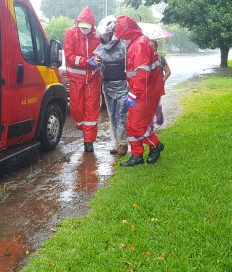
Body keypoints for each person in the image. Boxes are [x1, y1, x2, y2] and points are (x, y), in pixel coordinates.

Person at [114, 16, 165, 166]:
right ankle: (137, 155)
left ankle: (155, 145)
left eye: (121, 34)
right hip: (142, 90)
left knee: (137, 125)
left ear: (126, 32)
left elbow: (142, 74)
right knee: (130, 124)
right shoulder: (136, 42)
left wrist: (134, 93)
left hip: (145, 92)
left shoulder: (140, 44)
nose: (120, 38)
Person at [63, 7, 101, 153]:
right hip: (76, 79)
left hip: (93, 79)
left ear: (92, 26)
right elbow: (69, 56)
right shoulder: (70, 34)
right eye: (82, 27)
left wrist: (98, 60)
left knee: (92, 111)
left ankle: (88, 141)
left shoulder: (97, 35)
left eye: (87, 28)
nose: (84, 30)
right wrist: (86, 61)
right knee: (77, 110)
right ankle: (84, 129)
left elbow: (102, 51)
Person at [94, 15, 129, 156]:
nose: (106, 38)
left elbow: (130, 65)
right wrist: (95, 62)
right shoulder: (100, 48)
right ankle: (115, 144)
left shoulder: (124, 45)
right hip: (107, 86)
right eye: (104, 35)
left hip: (122, 85)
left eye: (108, 35)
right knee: (112, 116)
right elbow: (96, 67)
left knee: (122, 116)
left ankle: (123, 144)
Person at [150, 40, 171, 130]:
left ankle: (159, 120)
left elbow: (168, 72)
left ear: (156, 47)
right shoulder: (143, 58)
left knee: (156, 104)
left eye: (152, 46)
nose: (151, 48)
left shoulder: (160, 58)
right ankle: (150, 125)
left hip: (157, 85)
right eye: (148, 46)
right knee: (148, 105)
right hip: (147, 85)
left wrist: (162, 81)